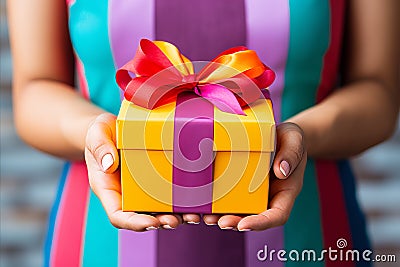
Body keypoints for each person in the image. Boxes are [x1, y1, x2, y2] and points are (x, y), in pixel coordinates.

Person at [8, 0, 399, 266]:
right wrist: (98, 135)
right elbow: (35, 88)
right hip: (101, 242)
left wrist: (299, 136)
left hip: (310, 239)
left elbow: (378, 91)